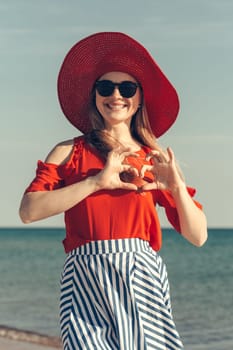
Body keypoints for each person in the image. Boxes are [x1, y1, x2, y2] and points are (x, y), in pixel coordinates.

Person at [19, 32, 207, 350]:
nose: (116, 95)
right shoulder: (67, 151)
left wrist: (176, 188)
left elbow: (198, 236)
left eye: (127, 87)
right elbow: (28, 211)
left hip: (141, 275)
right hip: (83, 275)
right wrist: (95, 182)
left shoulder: (153, 159)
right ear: (95, 95)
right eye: (105, 87)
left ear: (139, 99)